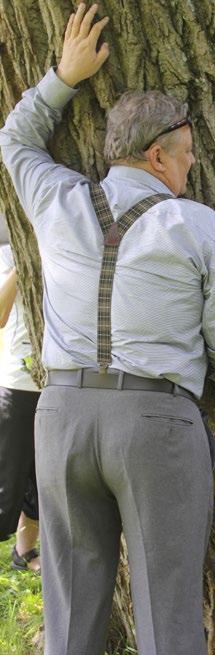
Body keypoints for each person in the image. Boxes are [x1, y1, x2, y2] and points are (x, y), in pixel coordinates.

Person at [0, 4, 215, 655]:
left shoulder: (56, 199)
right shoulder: (194, 223)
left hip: (59, 417)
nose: (192, 167)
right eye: (188, 154)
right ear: (156, 154)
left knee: (71, 606)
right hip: (154, 423)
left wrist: (63, 77)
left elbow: (14, 140)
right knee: (166, 610)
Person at [0, 215, 41, 573]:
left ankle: (23, 552)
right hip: (17, 384)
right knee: (7, 484)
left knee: (42, 481)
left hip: (55, 384)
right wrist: (21, 263)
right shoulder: (6, 254)